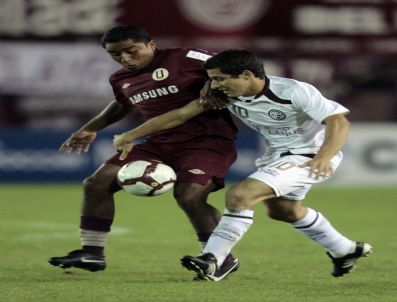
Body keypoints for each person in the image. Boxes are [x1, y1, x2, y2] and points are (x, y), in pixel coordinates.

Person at [112, 49, 372, 281]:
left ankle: (213, 260)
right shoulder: (223, 95)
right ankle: (345, 250)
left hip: (310, 155)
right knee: (284, 211)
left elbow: (338, 121)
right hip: (278, 156)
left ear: (247, 75)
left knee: (240, 195)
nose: (214, 84)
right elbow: (179, 115)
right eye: (212, 79)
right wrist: (130, 135)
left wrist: (324, 156)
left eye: (220, 78)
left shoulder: (293, 90)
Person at [48, 26, 241, 281]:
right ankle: (92, 252)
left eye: (131, 51)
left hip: (208, 141)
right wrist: (91, 127)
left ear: (151, 44)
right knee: (97, 182)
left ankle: (221, 259)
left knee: (189, 195)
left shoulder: (186, 57)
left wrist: (214, 84)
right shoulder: (120, 79)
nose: (125, 59)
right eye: (116, 54)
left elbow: (234, 67)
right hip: (160, 142)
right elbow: (122, 104)